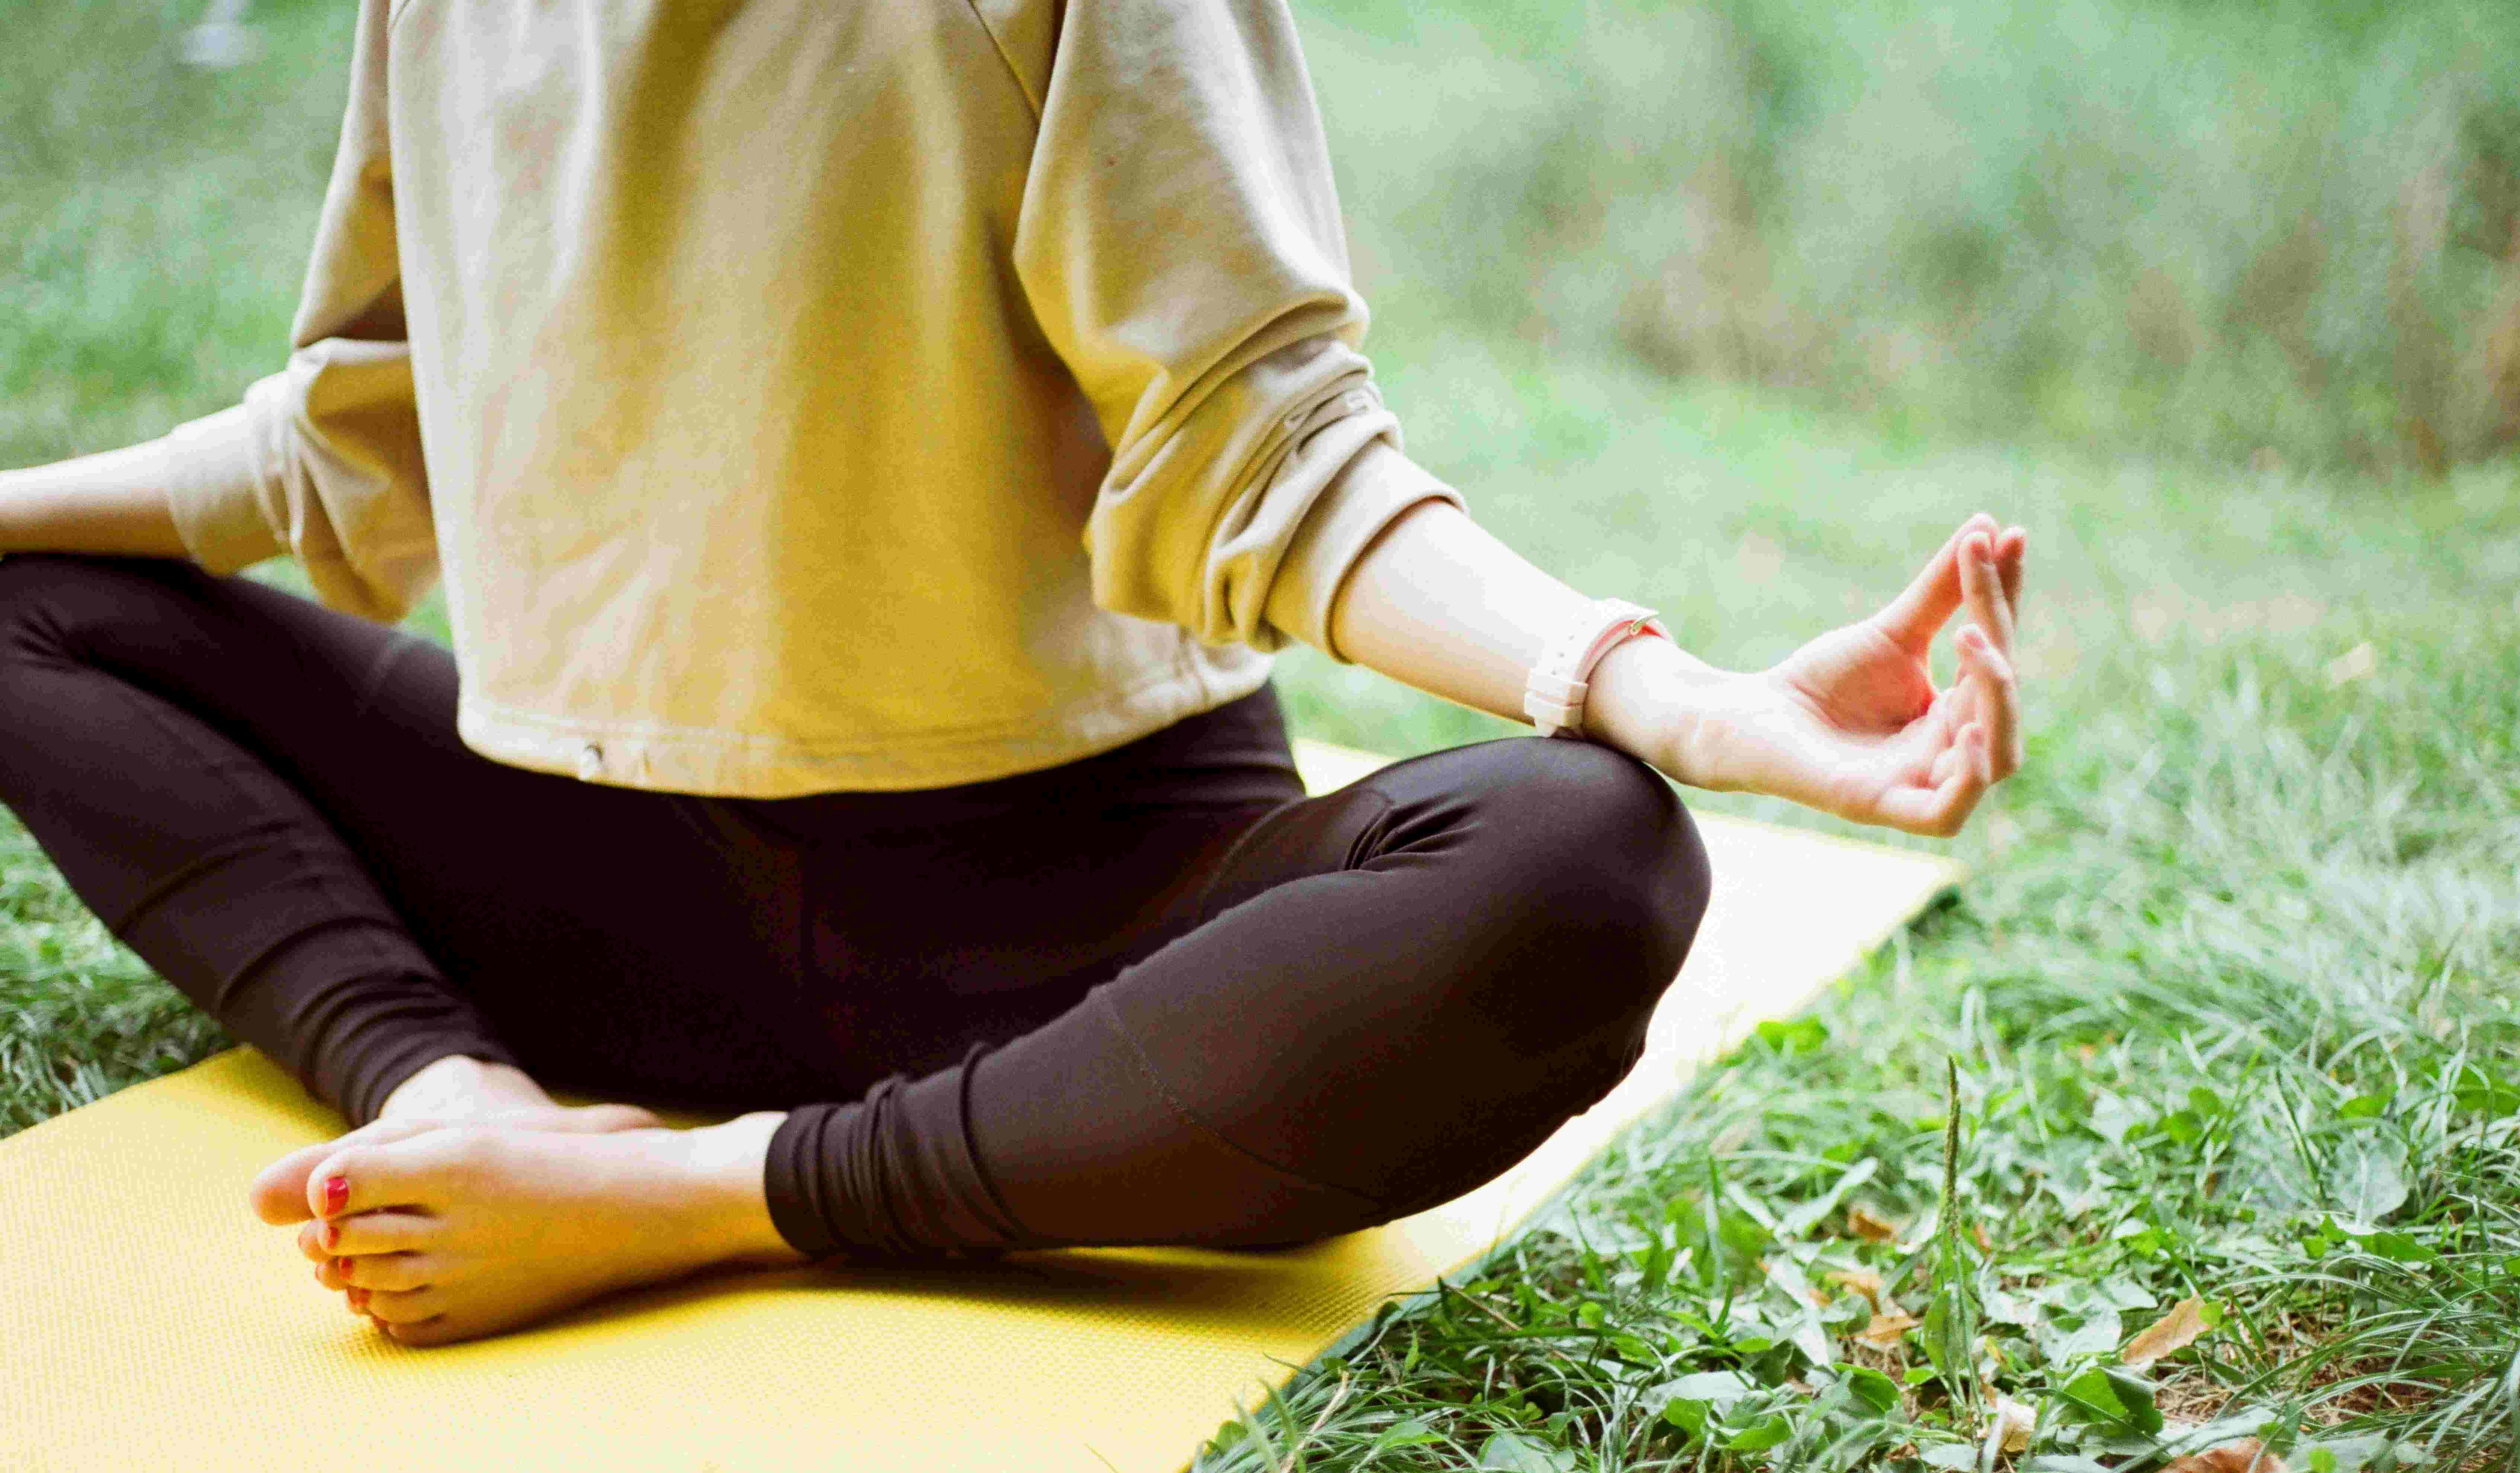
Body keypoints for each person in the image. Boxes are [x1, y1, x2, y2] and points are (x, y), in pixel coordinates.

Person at [0, 0, 2024, 1347]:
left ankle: (700, 1198)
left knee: (1583, 858)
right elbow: (362, 432)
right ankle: (475, 1117)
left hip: (1081, 936)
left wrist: (1677, 703)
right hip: (597, 883)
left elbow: (1278, 457)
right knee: (25, 602)